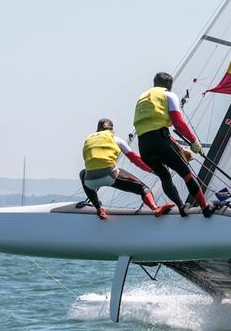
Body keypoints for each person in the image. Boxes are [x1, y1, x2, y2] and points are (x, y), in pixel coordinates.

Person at [133, 72, 214, 218]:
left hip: (144, 146)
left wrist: (179, 147)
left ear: (154, 83)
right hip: (161, 141)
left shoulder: (142, 97)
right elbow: (177, 122)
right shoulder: (169, 95)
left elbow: (152, 128)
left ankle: (181, 206)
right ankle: (206, 207)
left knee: (164, 177)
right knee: (186, 174)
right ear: (170, 85)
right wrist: (194, 141)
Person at [80, 118, 174, 220]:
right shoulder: (116, 139)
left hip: (90, 182)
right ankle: (155, 208)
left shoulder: (89, 140)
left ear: (98, 130)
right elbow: (136, 160)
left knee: (83, 173)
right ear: (111, 130)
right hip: (110, 177)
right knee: (142, 189)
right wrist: (154, 171)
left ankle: (99, 209)